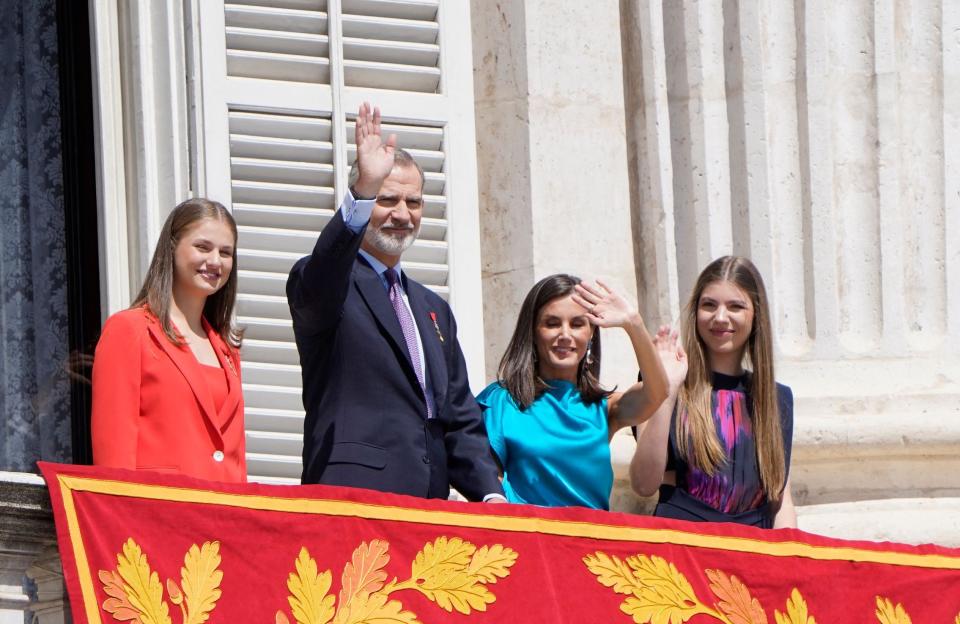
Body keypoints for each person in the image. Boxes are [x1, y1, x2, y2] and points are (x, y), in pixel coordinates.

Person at [287, 102, 504, 501]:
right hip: (352, 500)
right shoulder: (325, 281)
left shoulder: (431, 308)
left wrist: (490, 494)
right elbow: (323, 276)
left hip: (426, 511)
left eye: (414, 203)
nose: (402, 214)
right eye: (387, 200)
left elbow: (457, 416)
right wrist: (364, 191)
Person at [630, 256, 796, 528]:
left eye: (735, 306)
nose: (720, 317)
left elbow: (781, 502)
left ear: (755, 316)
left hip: (751, 554)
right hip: (684, 549)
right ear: (696, 312)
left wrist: (788, 562)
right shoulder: (667, 384)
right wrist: (667, 390)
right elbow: (644, 483)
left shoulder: (777, 400)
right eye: (709, 305)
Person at [477, 274, 669, 509]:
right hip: (527, 539)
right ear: (533, 333)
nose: (565, 335)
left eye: (577, 324)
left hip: (590, 541)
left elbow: (657, 393)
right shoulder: (501, 401)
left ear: (590, 336)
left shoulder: (604, 408)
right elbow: (487, 486)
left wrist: (633, 323)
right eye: (552, 323)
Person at [92, 198, 246, 482]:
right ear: (173, 246)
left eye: (226, 252)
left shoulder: (226, 350)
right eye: (202, 247)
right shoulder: (129, 330)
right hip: (156, 516)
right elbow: (113, 459)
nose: (215, 261)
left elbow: (234, 462)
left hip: (220, 519)